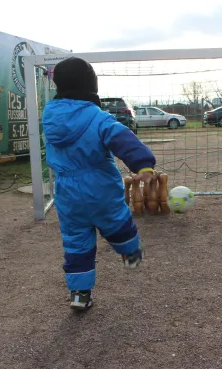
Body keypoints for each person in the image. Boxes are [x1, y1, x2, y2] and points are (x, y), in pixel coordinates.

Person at [42, 57, 156, 311]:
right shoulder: (96, 117)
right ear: (91, 85)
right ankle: (131, 255)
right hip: (99, 186)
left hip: (67, 191)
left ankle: (80, 294)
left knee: (75, 240)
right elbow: (123, 139)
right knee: (117, 221)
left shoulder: (50, 117)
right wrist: (144, 165)